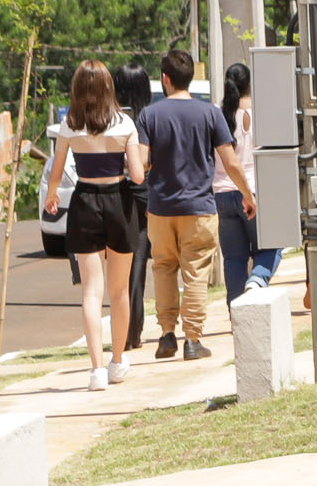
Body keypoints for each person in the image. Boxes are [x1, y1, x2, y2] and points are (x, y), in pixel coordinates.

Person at [136, 48, 253, 362]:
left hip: (160, 209)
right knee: (196, 272)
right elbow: (230, 163)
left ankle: (165, 335)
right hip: (199, 207)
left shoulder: (149, 114)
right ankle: (193, 339)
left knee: (163, 268)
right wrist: (247, 194)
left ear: (165, 79)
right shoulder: (210, 113)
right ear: (190, 78)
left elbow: (143, 161)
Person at [44, 61, 145, 390]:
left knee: (91, 291)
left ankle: (96, 370)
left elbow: (57, 176)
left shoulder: (69, 125)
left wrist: (51, 197)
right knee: (119, 291)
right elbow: (138, 176)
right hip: (118, 201)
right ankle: (117, 361)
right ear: (107, 87)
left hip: (84, 201)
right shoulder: (124, 123)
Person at [214, 61, 283, 300]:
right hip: (254, 191)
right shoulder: (263, 111)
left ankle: (237, 313)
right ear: (249, 84)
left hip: (221, 193)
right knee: (272, 245)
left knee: (234, 258)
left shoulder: (217, 113)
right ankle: (257, 279)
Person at [112, 62, 156, 356]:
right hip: (148, 194)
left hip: (119, 194)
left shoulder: (114, 119)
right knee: (140, 261)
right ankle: (134, 330)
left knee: (123, 264)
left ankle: (127, 331)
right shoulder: (149, 117)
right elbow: (148, 160)